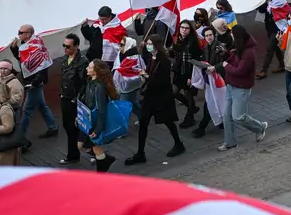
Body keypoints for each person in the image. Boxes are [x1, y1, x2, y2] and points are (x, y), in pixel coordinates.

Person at [126, 37, 186, 165]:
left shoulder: (163, 61)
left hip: (161, 97)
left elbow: (162, 81)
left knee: (168, 121)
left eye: (150, 44)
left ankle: (178, 144)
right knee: (143, 123)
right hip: (150, 96)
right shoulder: (152, 58)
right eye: (147, 43)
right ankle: (140, 153)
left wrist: (146, 76)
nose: (147, 46)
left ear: (156, 45)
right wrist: (145, 75)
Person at [218, 25, 269, 151]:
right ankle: (230, 142)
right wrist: (224, 54)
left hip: (241, 88)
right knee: (226, 115)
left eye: (232, 34)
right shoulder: (238, 47)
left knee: (238, 116)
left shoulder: (249, 52)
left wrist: (225, 66)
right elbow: (232, 60)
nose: (230, 36)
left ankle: (260, 127)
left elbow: (240, 70)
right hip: (230, 85)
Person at [9, 24, 58, 146]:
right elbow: (22, 59)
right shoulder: (28, 45)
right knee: (42, 105)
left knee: (27, 110)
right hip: (33, 82)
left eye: (20, 32)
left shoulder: (36, 47)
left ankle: (20, 138)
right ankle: (52, 127)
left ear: (28, 34)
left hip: (34, 83)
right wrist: (14, 48)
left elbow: (42, 67)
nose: (18, 34)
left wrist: (34, 83)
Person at [81, 59, 119, 171]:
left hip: (94, 122)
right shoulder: (91, 82)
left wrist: (97, 130)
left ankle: (102, 169)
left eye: (89, 67)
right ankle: (106, 161)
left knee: (94, 146)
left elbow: (102, 110)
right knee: (92, 146)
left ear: (95, 71)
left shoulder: (99, 87)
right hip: (89, 120)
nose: (87, 68)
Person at [57, 33, 88, 164]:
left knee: (76, 126)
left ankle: (77, 153)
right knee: (68, 126)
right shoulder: (65, 58)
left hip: (74, 99)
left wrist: (76, 99)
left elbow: (84, 83)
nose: (65, 49)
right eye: (64, 46)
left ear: (76, 46)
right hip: (65, 96)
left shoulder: (82, 61)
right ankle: (79, 152)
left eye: (68, 46)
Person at [172, 20, 203, 128]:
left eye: (186, 28)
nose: (184, 30)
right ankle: (192, 108)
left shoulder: (192, 42)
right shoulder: (178, 40)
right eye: (182, 27)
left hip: (188, 72)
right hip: (179, 72)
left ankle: (190, 117)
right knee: (174, 92)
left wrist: (190, 77)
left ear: (190, 30)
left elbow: (195, 60)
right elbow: (176, 54)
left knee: (188, 94)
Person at [256, 0, 287, 78]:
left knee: (270, 49)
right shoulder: (269, 0)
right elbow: (261, 10)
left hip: (277, 28)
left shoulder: (281, 0)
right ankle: (282, 65)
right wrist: (261, 2)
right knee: (276, 48)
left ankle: (263, 71)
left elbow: (284, 12)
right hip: (269, 27)